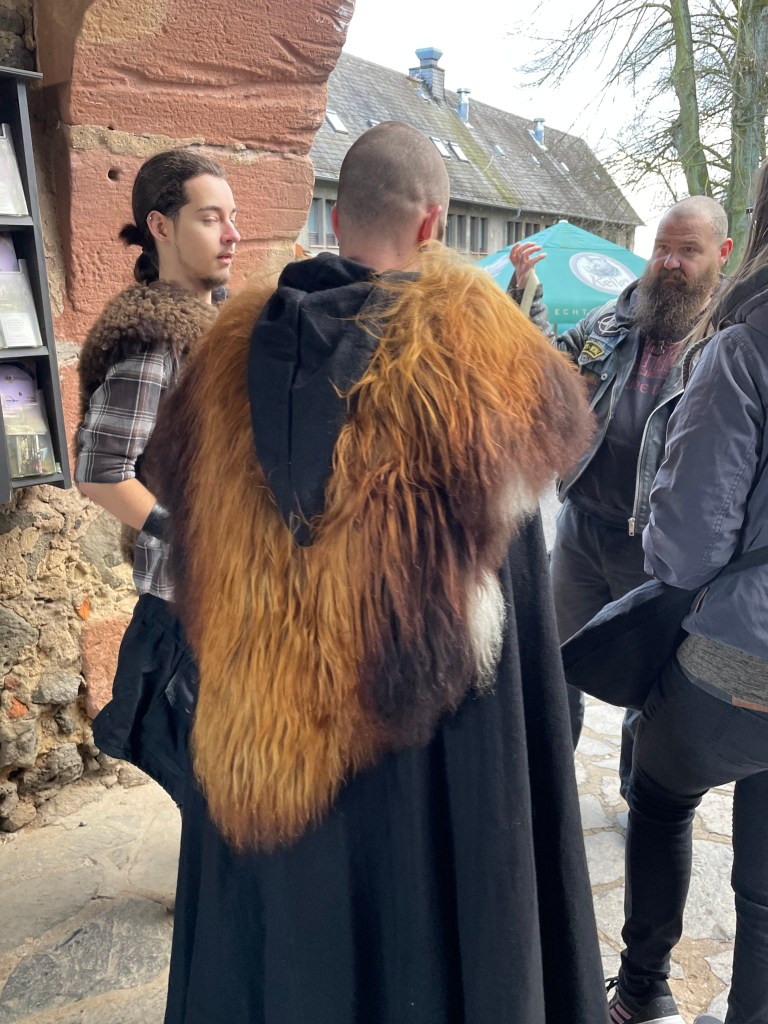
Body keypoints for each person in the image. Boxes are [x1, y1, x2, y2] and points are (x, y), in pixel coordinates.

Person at [150, 120, 608, 1024]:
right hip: (426, 770)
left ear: (335, 216)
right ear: (433, 224)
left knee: (286, 959)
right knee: (419, 947)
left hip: (261, 750)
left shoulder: (219, 363)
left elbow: (182, 544)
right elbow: (514, 631)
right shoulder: (482, 374)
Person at [606, 162, 768, 1024]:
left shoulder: (745, 346)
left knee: (661, 793)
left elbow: (690, 545)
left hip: (743, 656)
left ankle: (645, 993)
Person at [508, 199, 732, 794]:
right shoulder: (611, 320)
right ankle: (550, 786)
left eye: (688, 251)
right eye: (663, 248)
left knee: (650, 686)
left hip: (659, 550)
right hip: (581, 531)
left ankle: (640, 798)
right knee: (557, 664)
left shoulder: (726, 345)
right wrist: (527, 296)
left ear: (722, 254)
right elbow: (548, 375)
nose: (670, 263)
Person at [75, 149, 240, 804]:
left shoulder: (218, 324)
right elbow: (99, 471)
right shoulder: (154, 339)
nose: (231, 234)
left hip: (227, 590)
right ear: (161, 227)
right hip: (186, 604)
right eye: (210, 218)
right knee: (213, 791)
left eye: (232, 217)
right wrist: (187, 535)